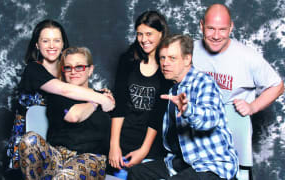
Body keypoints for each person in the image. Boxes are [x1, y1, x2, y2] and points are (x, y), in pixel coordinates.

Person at [192, 4, 284, 180]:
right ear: (201, 25)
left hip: (233, 132)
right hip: (200, 134)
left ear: (231, 27)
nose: (216, 36)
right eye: (211, 28)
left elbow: (277, 85)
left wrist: (253, 106)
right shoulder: (191, 50)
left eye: (222, 29)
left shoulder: (247, 57)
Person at [127, 34, 238, 180]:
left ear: (187, 59)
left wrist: (188, 110)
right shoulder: (172, 88)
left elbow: (210, 118)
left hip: (211, 164)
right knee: (137, 173)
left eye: (172, 58)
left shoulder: (203, 82)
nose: (165, 63)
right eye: (162, 58)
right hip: (181, 162)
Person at [7, 19, 114, 170]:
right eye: (46, 41)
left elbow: (78, 94)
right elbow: (65, 90)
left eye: (56, 40)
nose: (52, 45)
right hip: (31, 139)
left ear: (63, 44)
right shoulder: (34, 69)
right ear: (37, 45)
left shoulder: (67, 71)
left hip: (57, 141)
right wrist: (100, 97)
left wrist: (99, 94)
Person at [19, 47, 111, 180]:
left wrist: (103, 98)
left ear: (90, 70)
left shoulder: (107, 97)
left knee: (65, 176)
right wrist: (96, 100)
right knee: (29, 139)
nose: (73, 72)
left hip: (90, 159)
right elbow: (73, 116)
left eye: (79, 67)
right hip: (57, 156)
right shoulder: (58, 96)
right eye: (68, 67)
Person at [108, 10, 172, 174]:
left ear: (161, 33)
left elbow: (159, 114)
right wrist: (114, 146)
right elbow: (120, 104)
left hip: (151, 146)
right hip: (123, 140)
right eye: (139, 34)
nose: (144, 39)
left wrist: (144, 151)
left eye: (149, 33)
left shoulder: (168, 66)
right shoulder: (127, 60)